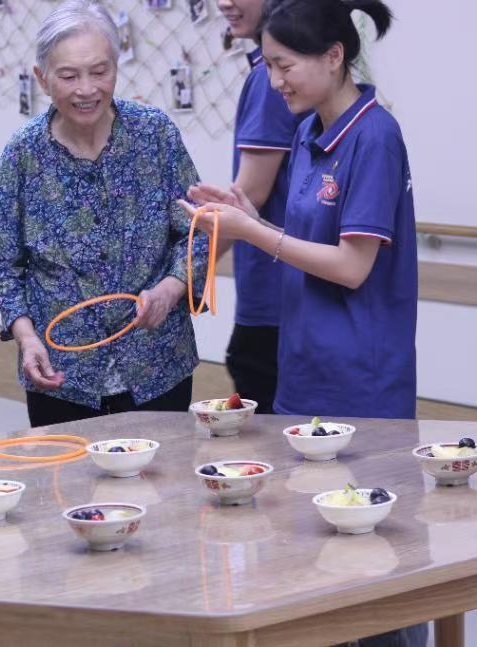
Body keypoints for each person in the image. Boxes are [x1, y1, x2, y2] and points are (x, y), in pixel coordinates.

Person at [181, 1, 422, 641]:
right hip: (305, 374)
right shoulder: (311, 132)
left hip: (362, 385)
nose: (275, 81)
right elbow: (304, 237)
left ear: (334, 56)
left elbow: (352, 266)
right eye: (268, 65)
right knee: (315, 563)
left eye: (284, 66)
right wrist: (244, 209)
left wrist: (253, 231)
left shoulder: (374, 136)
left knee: (379, 576)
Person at [0, 0, 207, 427]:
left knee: (166, 470)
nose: (87, 89)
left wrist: (170, 290)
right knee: (70, 472)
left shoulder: (154, 134)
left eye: (100, 71)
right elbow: (0, 261)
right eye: (69, 76)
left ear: (116, 68)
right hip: (61, 373)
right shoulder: (24, 153)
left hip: (156, 362)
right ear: (42, 78)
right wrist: (26, 338)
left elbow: (198, 229)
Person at [190, 0, 305, 414]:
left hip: (276, 299)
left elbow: (248, 198)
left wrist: (179, 280)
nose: (224, 2)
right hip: (289, 292)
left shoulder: (269, 82)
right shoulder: (275, 76)